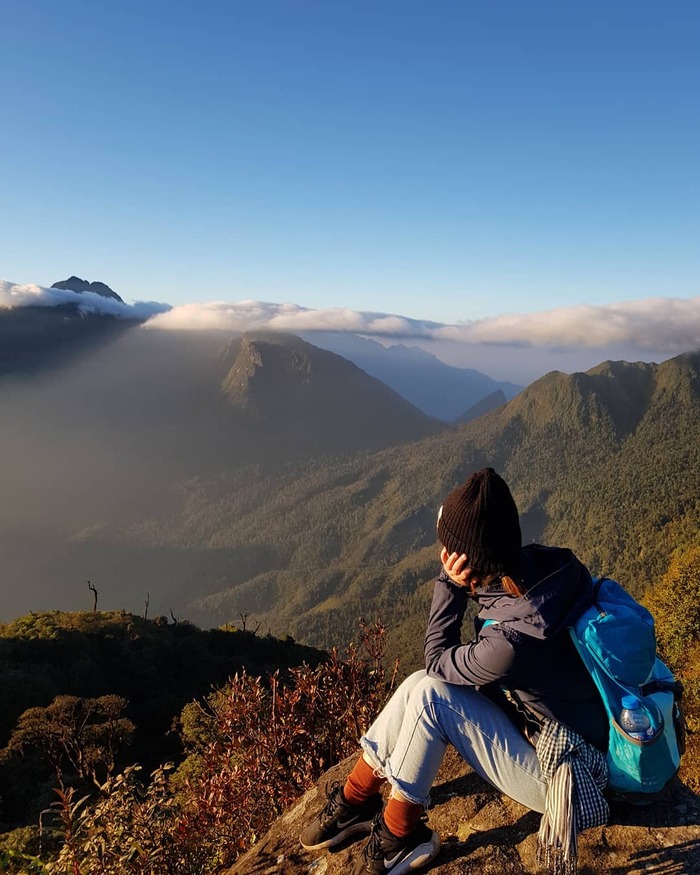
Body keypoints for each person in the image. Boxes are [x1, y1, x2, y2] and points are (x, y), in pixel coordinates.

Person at [299, 467, 611, 875]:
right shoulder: (545, 566)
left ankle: (399, 838)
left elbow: (438, 660)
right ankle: (357, 798)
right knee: (418, 684)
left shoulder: (513, 643)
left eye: (449, 551)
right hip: (557, 730)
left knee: (430, 696)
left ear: (467, 562)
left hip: (569, 778)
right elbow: (436, 670)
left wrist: (448, 585)